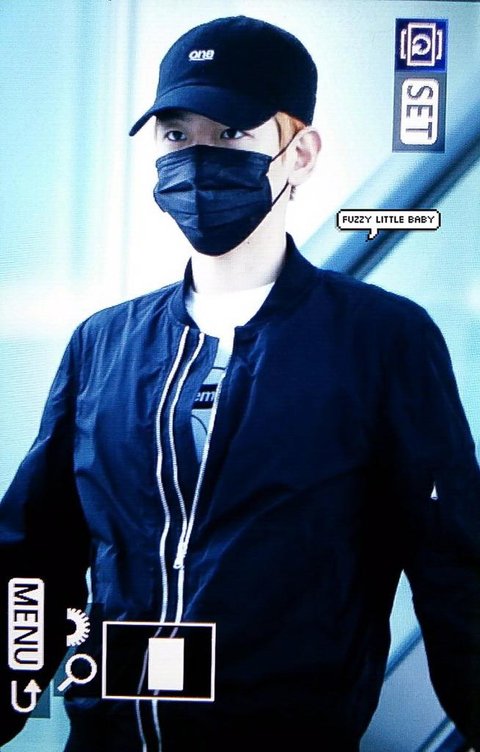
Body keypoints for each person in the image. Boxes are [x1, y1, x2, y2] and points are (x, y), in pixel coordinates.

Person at [1, 14, 480, 752]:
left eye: (230, 134)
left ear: (301, 153)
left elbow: (455, 569)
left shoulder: (383, 340)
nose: (197, 158)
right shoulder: (103, 344)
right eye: (175, 134)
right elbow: (34, 560)